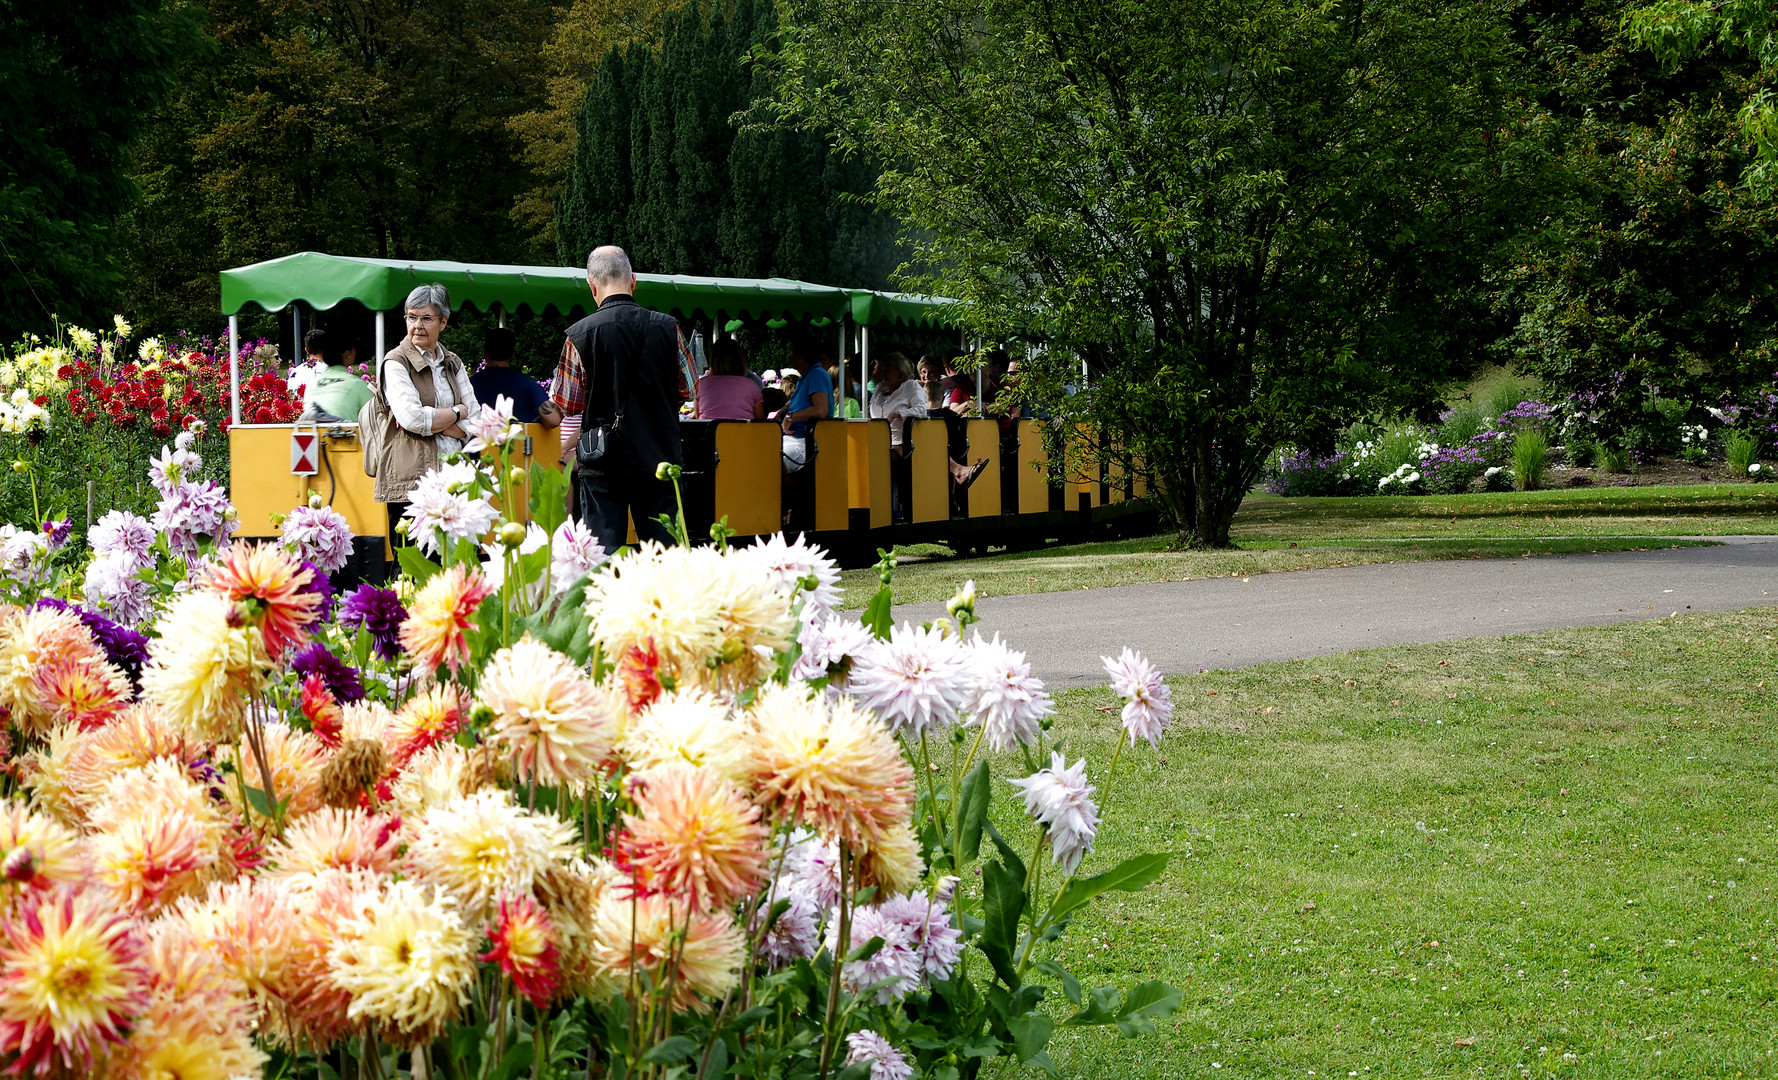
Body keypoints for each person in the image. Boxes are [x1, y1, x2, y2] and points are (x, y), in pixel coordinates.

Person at [551, 245, 686, 552]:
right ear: (633, 281)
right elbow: (689, 390)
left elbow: (567, 402)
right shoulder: (669, 328)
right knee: (667, 557)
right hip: (659, 457)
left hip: (603, 461)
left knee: (601, 558)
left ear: (592, 286)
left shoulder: (578, 335)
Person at [373, 284, 480, 540]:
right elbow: (412, 418)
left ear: (443, 322)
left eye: (426, 318)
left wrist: (435, 422)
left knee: (457, 567)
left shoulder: (452, 362)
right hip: (413, 484)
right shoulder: (396, 361)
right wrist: (456, 413)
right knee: (411, 571)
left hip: (456, 480)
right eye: (411, 317)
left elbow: (475, 419)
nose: (417, 325)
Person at [470, 327, 561, 427]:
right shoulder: (526, 382)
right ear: (513, 354)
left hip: (478, 440)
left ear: (485, 352)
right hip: (517, 441)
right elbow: (553, 420)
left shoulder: (470, 384)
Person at [300, 329, 374, 423]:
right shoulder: (359, 385)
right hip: (347, 436)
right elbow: (374, 422)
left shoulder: (312, 385)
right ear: (348, 353)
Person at [695, 338, 765, 420]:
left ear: (713, 361)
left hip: (711, 432)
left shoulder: (701, 385)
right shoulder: (752, 386)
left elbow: (698, 416)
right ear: (740, 360)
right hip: (743, 432)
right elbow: (760, 420)